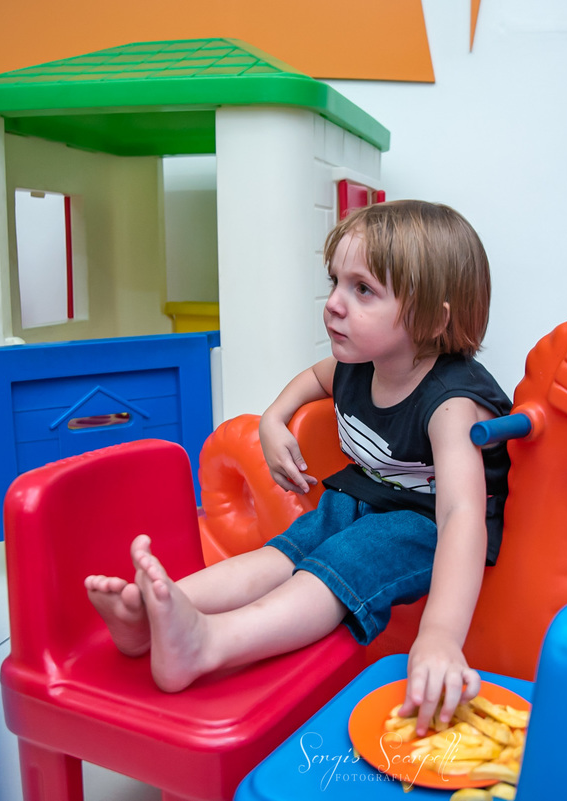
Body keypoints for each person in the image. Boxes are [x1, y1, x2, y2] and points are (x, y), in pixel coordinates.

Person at [84, 200, 511, 734]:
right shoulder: (359, 364)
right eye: (335, 282)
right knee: (283, 551)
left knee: (339, 563)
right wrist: (273, 418)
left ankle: (209, 644)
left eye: (363, 289)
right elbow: (313, 378)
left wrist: (440, 635)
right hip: (364, 498)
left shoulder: (452, 404)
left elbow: (460, 514)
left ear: (433, 318)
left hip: (424, 522)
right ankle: (159, 610)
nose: (332, 304)